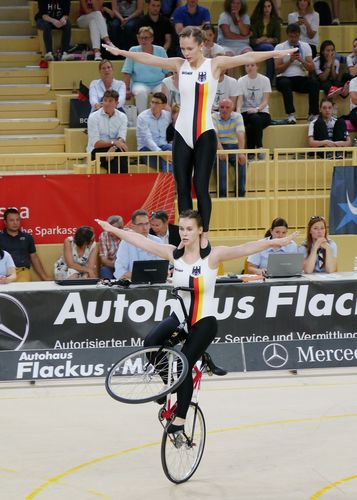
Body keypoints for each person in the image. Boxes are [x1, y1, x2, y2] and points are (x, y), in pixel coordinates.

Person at [96, 209, 297, 432]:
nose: (184, 233)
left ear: (200, 230)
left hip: (204, 321)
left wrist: (273, 242)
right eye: (181, 228)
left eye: (189, 229)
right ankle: (169, 382)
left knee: (184, 363)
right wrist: (112, 229)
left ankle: (180, 421)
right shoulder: (174, 254)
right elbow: (140, 240)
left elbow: (245, 248)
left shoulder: (213, 256)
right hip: (179, 318)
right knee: (150, 342)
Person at [103, 26, 296, 249]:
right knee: (182, 187)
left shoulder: (214, 64)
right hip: (182, 133)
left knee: (200, 186)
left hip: (205, 133)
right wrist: (122, 53)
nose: (186, 52)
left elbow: (248, 56)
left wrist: (274, 54)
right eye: (183, 48)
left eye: (190, 48)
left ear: (202, 45)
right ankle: (187, 235)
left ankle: (203, 234)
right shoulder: (179, 64)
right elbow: (147, 58)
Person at [275, 23, 320, 124]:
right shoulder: (279, 47)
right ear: (287, 35)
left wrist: (301, 60)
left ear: (299, 35)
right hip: (283, 78)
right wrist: (290, 61)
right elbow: (277, 70)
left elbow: (312, 68)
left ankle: (313, 114)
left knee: (314, 83)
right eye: (291, 36)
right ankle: (291, 114)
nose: (293, 39)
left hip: (300, 78)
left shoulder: (306, 46)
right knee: (285, 83)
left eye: (295, 36)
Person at [122, 26, 169, 114]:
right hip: (139, 83)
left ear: (152, 39)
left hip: (159, 83)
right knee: (140, 93)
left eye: (146, 38)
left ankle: (161, 118)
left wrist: (170, 86)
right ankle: (142, 118)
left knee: (162, 93)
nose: (143, 40)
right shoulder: (133, 50)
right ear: (138, 39)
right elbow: (127, 72)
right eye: (141, 38)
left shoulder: (160, 50)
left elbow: (168, 72)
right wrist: (127, 89)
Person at [0, 208, 51, 282]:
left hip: (22, 271)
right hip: (4, 272)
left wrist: (44, 277)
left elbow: (34, 257)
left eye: (17, 220)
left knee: (21, 290)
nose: (15, 223)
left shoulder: (27, 237)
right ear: (5, 222)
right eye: (12, 220)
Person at [87, 89, 129, 174]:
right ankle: (124, 185)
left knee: (117, 159)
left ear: (116, 103)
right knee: (121, 155)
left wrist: (113, 148)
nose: (106, 103)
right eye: (105, 100)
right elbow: (96, 143)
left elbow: (121, 138)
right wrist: (114, 143)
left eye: (110, 101)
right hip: (96, 150)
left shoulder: (122, 117)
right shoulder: (93, 117)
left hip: (115, 149)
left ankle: (112, 185)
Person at [113, 209, 162, 280]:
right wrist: (143, 276)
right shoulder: (126, 242)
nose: (145, 228)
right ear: (133, 226)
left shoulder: (157, 241)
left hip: (155, 283)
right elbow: (119, 271)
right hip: (134, 285)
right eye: (140, 224)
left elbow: (162, 267)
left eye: (147, 224)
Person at [212, 98, 246, 197]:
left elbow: (240, 134)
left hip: (235, 147)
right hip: (220, 147)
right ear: (218, 108)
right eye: (222, 107)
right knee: (221, 170)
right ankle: (222, 197)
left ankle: (241, 196)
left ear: (232, 108)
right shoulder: (213, 116)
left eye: (227, 107)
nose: (224, 110)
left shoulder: (238, 116)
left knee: (242, 163)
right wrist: (221, 151)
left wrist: (241, 152)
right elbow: (215, 136)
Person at [236, 62, 271, 155]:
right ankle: (259, 147)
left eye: (252, 65)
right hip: (246, 112)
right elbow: (239, 100)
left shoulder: (265, 80)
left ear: (257, 66)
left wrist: (257, 109)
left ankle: (251, 152)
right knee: (254, 119)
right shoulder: (241, 80)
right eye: (247, 65)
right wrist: (238, 112)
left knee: (252, 125)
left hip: (262, 112)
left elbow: (265, 101)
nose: (249, 67)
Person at [136, 92, 173, 171]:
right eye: (152, 102)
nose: (153, 105)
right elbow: (147, 139)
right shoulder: (142, 117)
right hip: (146, 150)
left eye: (157, 103)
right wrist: (161, 153)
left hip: (164, 147)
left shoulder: (168, 116)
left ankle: (168, 180)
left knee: (174, 149)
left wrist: (164, 153)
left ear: (163, 105)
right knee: (171, 159)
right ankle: (170, 181)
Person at [250, 0, 281, 82]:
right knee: (270, 49)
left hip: (270, 46)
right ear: (260, 8)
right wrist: (260, 40)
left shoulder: (276, 21)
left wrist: (270, 40)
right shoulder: (254, 20)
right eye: (264, 6)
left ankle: (269, 80)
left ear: (272, 8)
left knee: (270, 50)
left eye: (269, 6)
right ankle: (269, 80)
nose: (266, 9)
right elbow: (252, 40)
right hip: (256, 46)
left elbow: (278, 39)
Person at [99, 215, 124, 279]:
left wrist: (122, 268)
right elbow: (104, 260)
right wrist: (117, 266)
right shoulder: (104, 236)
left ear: (120, 228)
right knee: (104, 270)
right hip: (109, 266)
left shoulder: (128, 235)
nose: (109, 230)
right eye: (108, 227)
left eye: (112, 228)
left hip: (125, 266)